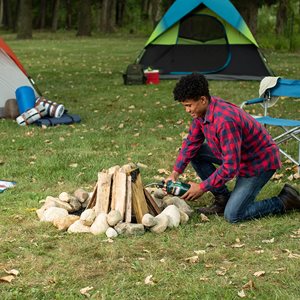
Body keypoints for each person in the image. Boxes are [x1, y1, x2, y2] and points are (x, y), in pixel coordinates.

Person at [165, 73, 300, 223]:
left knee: (233, 215)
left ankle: (286, 200)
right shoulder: (202, 112)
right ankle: (222, 198)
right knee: (195, 152)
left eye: (189, 105)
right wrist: (175, 173)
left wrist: (202, 187)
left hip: (257, 163)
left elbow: (230, 167)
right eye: (185, 106)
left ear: (203, 99)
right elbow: (191, 143)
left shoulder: (225, 121)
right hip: (235, 155)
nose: (187, 110)